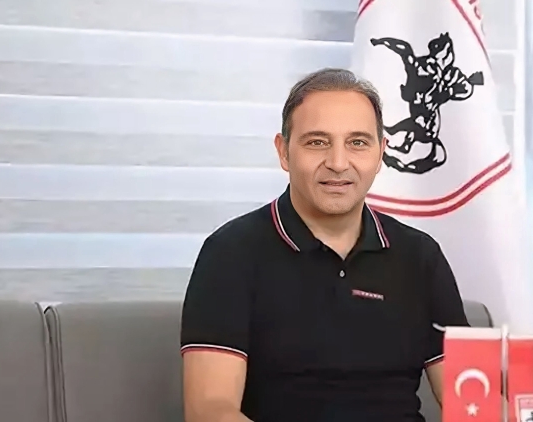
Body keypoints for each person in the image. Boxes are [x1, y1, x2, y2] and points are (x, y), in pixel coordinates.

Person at [180, 68, 469, 422]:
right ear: (284, 152)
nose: (338, 163)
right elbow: (209, 410)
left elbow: (472, 399)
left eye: (357, 143)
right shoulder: (230, 253)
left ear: (381, 153)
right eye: (317, 142)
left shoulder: (420, 256)